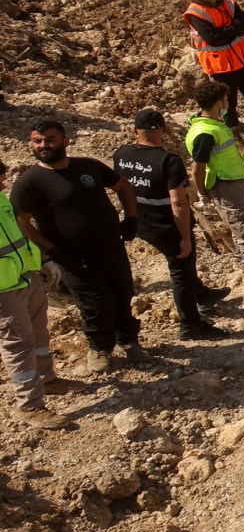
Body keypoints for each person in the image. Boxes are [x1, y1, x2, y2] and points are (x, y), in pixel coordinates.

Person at [8, 119, 143, 374]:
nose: (43, 145)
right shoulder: (30, 181)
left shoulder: (88, 166)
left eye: (50, 140)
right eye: (37, 141)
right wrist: (51, 251)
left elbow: (123, 185)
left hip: (112, 248)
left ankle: (129, 342)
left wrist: (131, 219)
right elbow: (20, 220)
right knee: (94, 304)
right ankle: (99, 348)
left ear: (65, 142)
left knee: (122, 295)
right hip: (73, 257)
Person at [114, 108, 229, 340]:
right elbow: (178, 203)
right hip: (165, 223)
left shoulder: (121, 154)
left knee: (183, 268)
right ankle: (191, 324)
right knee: (181, 269)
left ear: (135, 130)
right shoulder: (168, 161)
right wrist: (185, 236)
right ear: (164, 131)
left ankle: (202, 294)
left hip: (137, 218)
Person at [0, 159, 72, 430]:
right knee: (18, 345)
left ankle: (48, 379)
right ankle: (29, 405)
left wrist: (42, 261)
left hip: (26, 278)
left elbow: (18, 236)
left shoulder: (1, 199)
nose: (3, 184)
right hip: (4, 290)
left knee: (39, 332)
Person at [186, 79, 244, 294]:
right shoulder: (205, 133)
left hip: (236, 182)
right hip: (226, 187)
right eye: (226, 99)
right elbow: (197, 168)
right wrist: (202, 193)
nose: (229, 103)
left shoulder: (215, 125)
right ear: (218, 103)